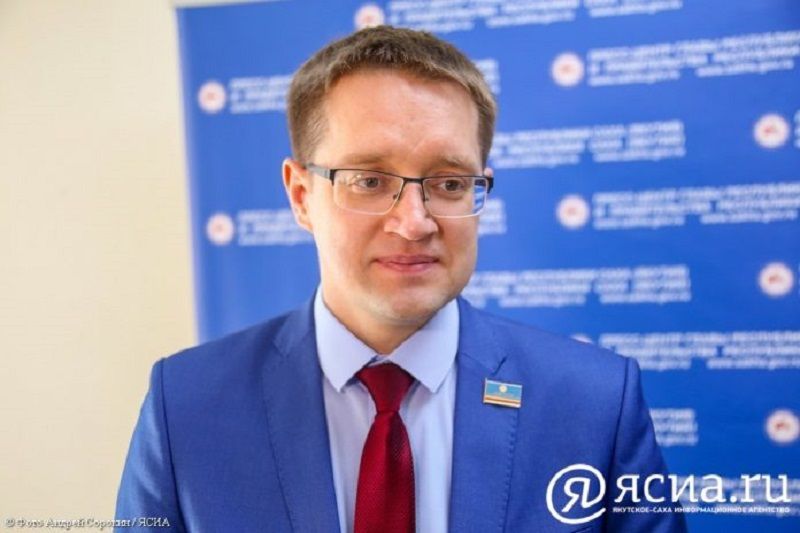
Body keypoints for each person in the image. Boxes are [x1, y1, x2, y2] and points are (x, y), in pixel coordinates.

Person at [116, 26, 687, 532]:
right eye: (369, 181)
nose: (414, 223)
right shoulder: (187, 406)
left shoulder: (594, 403)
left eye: (449, 183)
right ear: (301, 196)